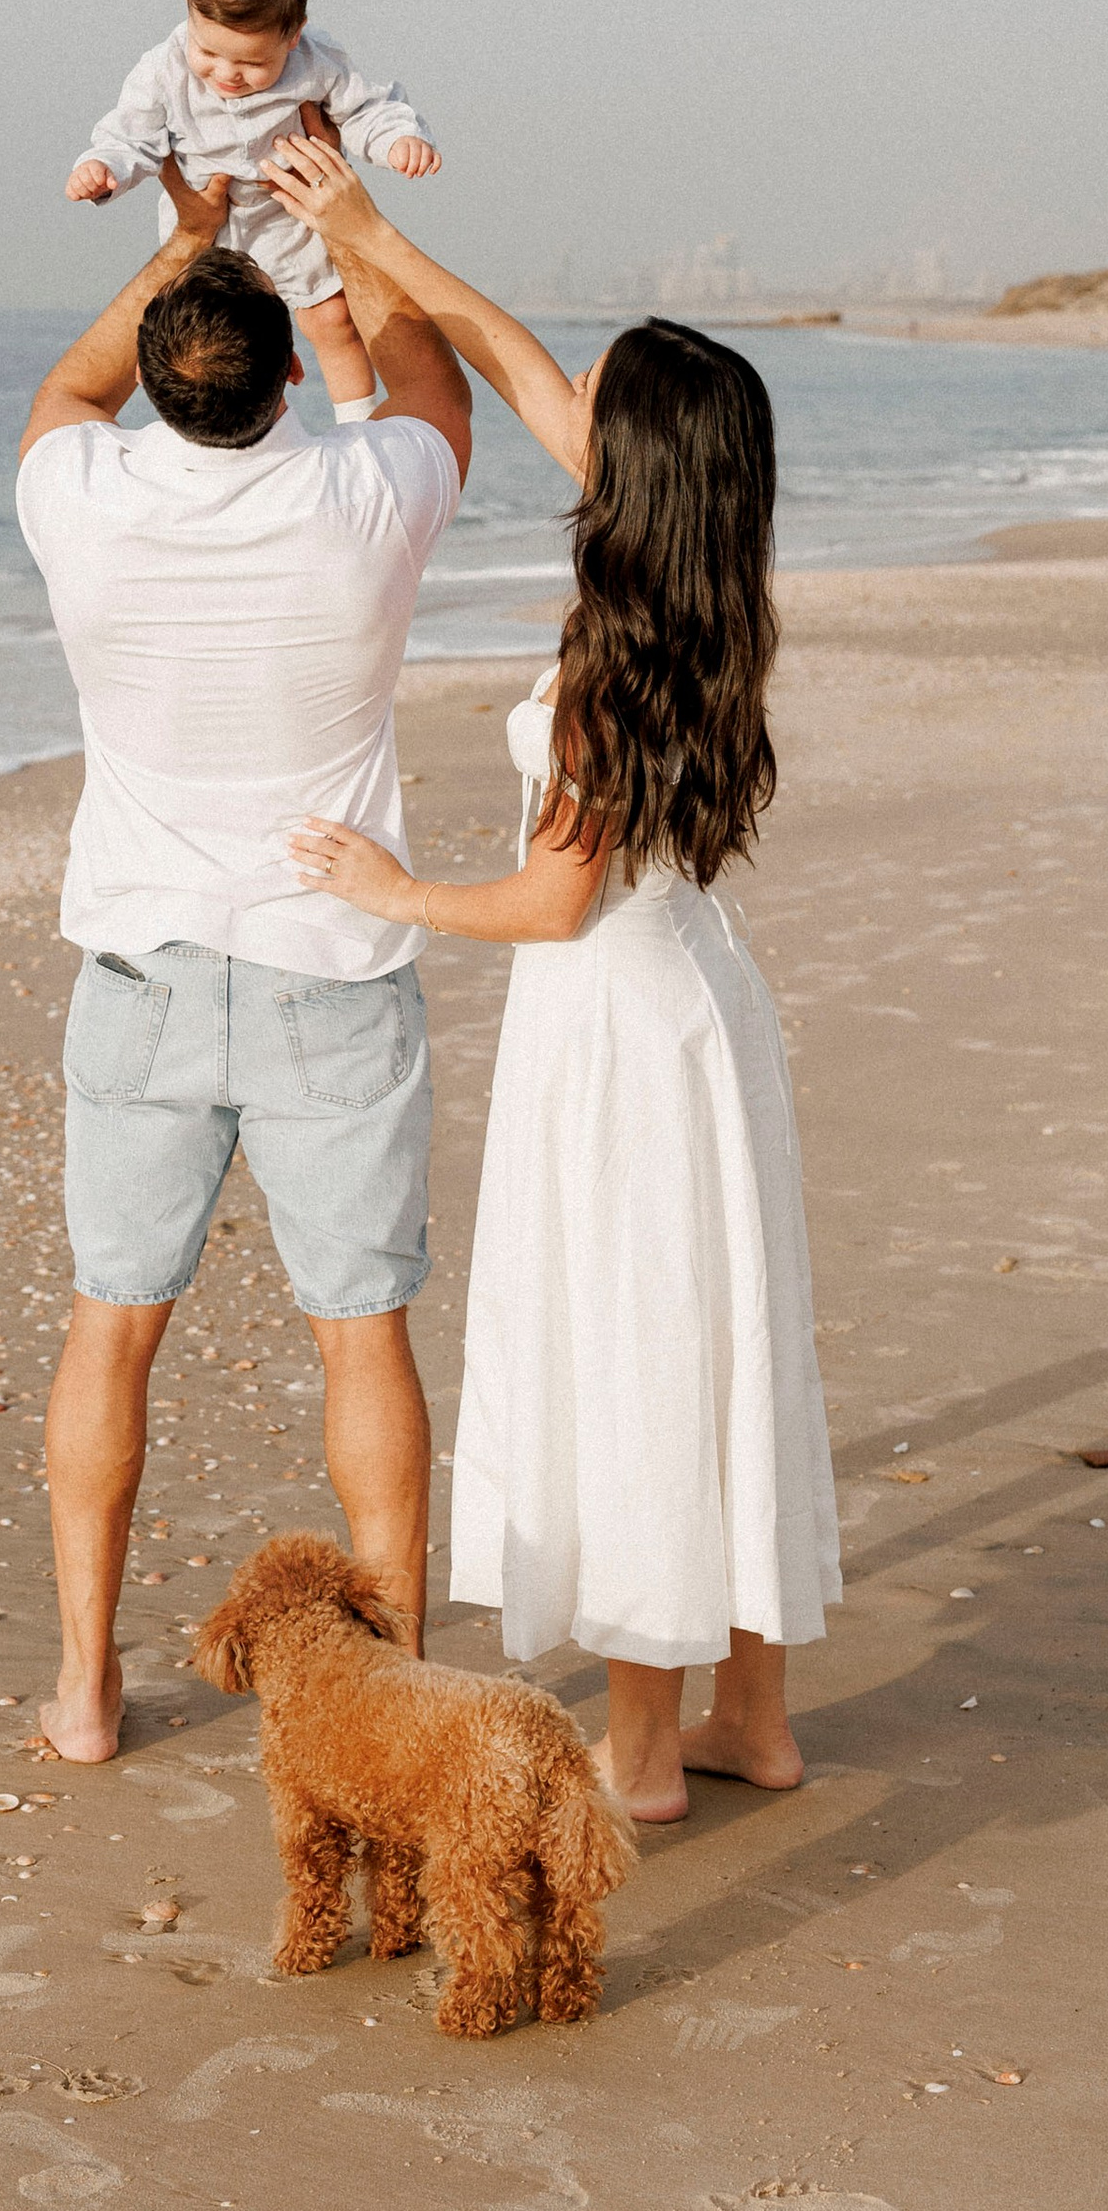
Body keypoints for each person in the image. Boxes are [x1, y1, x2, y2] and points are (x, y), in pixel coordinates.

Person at [261, 127, 841, 1819]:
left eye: (603, 388)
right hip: (703, 1011)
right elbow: (513, 352)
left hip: (618, 1031)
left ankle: (646, 1755)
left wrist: (394, 888)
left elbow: (549, 906)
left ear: (633, 465)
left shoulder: (610, 665)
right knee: (724, 1341)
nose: (565, 386)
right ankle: (760, 1720)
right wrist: (368, 229)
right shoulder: (711, 585)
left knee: (647, 1356)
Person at [15, 150, 474, 1763]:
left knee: (111, 1322)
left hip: (140, 965)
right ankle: (403, 1679)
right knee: (363, 1333)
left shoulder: (78, 493)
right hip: (327, 963)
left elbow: (67, 388)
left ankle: (85, 1684)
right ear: (288, 376)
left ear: (156, 374)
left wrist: (189, 241)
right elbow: (431, 390)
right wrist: (347, 233)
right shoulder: (364, 498)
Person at [67, 0, 441, 420]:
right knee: (191, 342)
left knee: (333, 322)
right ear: (188, 7)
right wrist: (103, 168)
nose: (226, 74)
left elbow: (364, 109)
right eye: (208, 52)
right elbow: (131, 136)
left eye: (250, 63)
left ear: (293, 34)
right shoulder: (162, 70)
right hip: (206, 229)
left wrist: (397, 140)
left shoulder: (318, 61)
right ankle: (188, 429)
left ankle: (356, 427)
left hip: (291, 218)